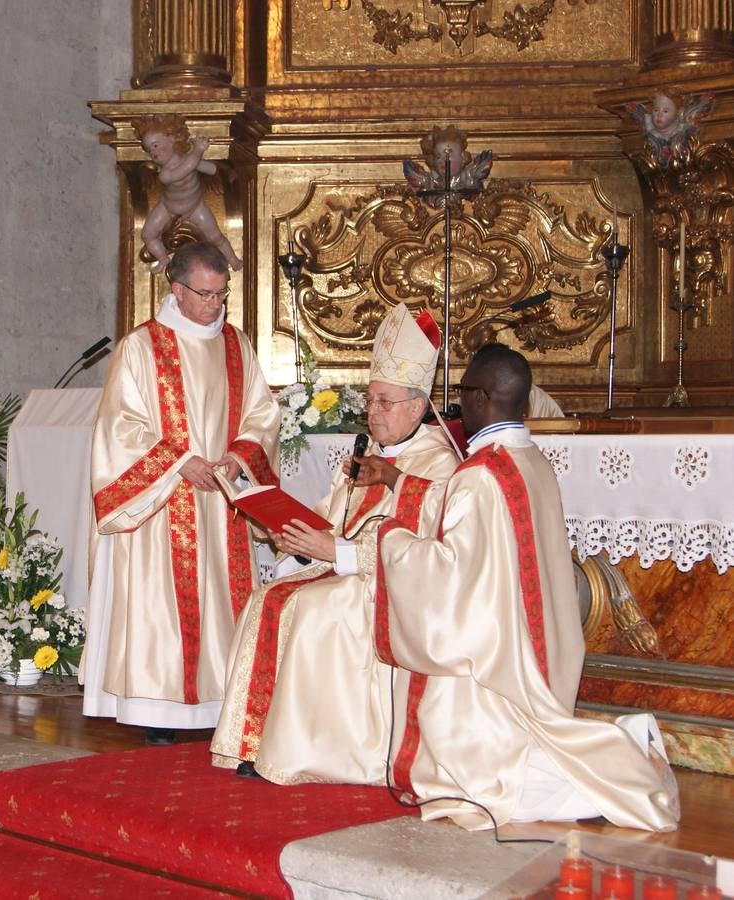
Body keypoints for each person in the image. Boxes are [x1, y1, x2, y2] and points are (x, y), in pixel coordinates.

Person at [375, 344, 680, 831]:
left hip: (494, 680)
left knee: (476, 781)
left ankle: (624, 759)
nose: (458, 403)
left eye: (463, 392)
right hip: (541, 654)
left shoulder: (479, 476)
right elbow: (463, 515)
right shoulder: (529, 459)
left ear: (482, 397)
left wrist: (390, 539)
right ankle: (622, 752)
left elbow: (449, 576)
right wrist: (399, 482)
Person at [211, 302, 460, 780]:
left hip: (388, 589)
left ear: (417, 406)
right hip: (343, 569)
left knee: (314, 609)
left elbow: (426, 547)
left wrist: (340, 553)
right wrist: (287, 532)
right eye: (370, 400)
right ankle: (254, 744)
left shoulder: (438, 465)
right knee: (267, 599)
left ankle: (305, 751)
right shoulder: (364, 455)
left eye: (385, 403)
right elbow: (330, 520)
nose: (373, 412)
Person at [83, 241, 279, 744]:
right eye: (206, 294)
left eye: (222, 294)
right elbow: (120, 427)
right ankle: (157, 709)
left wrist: (238, 456)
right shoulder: (141, 346)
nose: (215, 305)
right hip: (164, 502)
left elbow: (262, 414)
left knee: (222, 599)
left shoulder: (236, 345)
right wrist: (178, 463)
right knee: (161, 607)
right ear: (177, 289)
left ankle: (222, 704)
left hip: (221, 500)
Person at [134, 114, 244, 273]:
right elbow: (185, 169)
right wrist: (198, 150)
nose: (153, 152)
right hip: (168, 207)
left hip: (195, 205)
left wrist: (225, 171)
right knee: (147, 235)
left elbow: (210, 169)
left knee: (215, 237)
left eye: (155, 145)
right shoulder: (165, 174)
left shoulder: (189, 160)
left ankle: (233, 260)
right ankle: (163, 259)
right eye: (149, 150)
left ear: (171, 138)